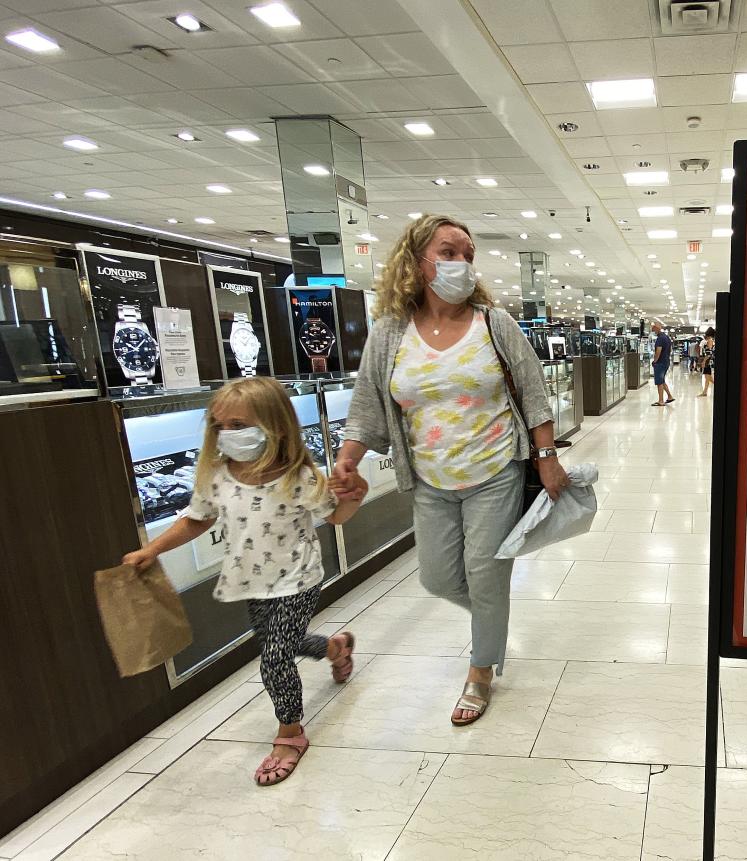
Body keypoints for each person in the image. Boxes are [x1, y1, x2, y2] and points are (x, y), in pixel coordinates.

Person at [331, 214, 567, 727]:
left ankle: (480, 670)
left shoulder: (493, 323)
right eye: (448, 252)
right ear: (416, 260)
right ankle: (492, 614)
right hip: (429, 478)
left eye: (467, 254)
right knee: (439, 579)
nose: (461, 263)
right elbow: (368, 404)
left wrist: (546, 458)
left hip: (495, 469)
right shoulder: (391, 332)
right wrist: (347, 457)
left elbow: (532, 392)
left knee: (484, 573)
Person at [122, 377, 367, 786]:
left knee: (273, 657)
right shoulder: (216, 476)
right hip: (250, 581)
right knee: (283, 643)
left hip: (297, 578)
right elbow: (196, 521)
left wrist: (354, 496)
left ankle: (290, 732)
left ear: (275, 425)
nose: (229, 434)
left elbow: (335, 515)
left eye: (240, 425)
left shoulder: (298, 476)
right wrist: (153, 549)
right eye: (221, 426)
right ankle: (334, 647)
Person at [651, 320, 675, 406]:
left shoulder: (660, 338)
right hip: (666, 361)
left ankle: (661, 401)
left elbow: (658, 351)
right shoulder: (666, 337)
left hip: (660, 363)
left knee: (659, 382)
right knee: (662, 380)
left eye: (653, 329)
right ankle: (669, 396)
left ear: (656, 328)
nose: (652, 331)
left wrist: (655, 361)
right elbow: (670, 349)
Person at [698, 328, 716, 397]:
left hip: (708, 362)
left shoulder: (710, 341)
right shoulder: (710, 340)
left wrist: (704, 362)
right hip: (708, 361)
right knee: (708, 377)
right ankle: (704, 392)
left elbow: (709, 353)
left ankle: (704, 392)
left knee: (707, 377)